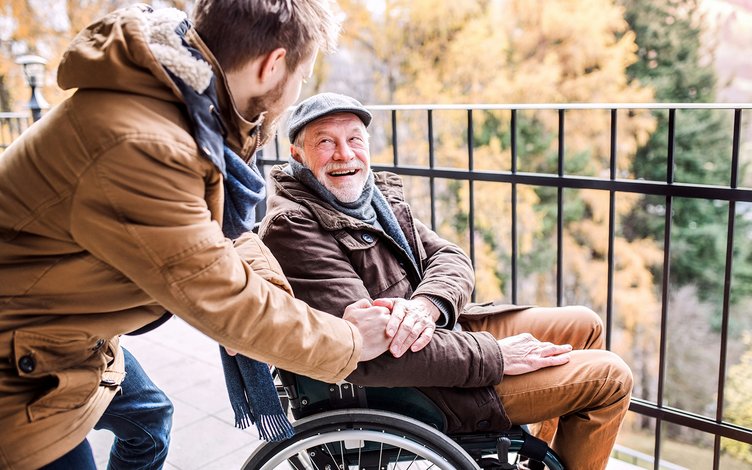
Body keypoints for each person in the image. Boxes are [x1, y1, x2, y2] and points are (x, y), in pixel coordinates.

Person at [0, 4, 394, 469]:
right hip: (23, 364)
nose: (294, 94)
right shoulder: (144, 147)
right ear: (272, 67)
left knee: (149, 420)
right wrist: (349, 341)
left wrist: (276, 298)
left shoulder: (185, 101)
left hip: (70, 329)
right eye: (301, 76)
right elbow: (224, 300)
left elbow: (227, 234)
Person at [259, 92, 635, 470]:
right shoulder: (293, 226)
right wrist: (497, 356)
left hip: (442, 333)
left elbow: (450, 257)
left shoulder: (369, 197)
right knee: (612, 378)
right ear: (297, 155)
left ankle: (535, 459)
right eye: (326, 142)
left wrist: (426, 306)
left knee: (584, 325)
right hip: (421, 383)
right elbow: (363, 355)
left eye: (354, 139)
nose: (345, 154)